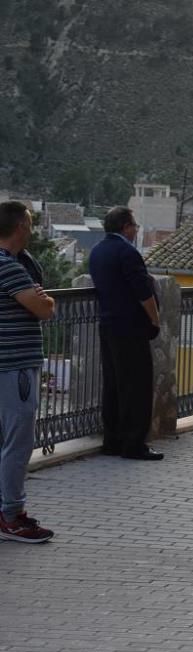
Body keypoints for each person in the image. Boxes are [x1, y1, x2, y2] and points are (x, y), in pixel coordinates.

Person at [89, 207, 164, 461]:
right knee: (137, 386)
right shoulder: (127, 252)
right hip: (130, 328)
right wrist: (155, 319)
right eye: (134, 225)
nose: (137, 230)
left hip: (107, 325)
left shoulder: (98, 251)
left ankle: (112, 441)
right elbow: (142, 292)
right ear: (125, 226)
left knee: (114, 384)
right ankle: (134, 445)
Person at [0, 202, 55, 543]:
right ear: (20, 226)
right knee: (18, 443)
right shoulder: (11, 268)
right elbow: (43, 308)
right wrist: (46, 301)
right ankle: (12, 515)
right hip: (15, 367)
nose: (32, 230)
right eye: (31, 224)